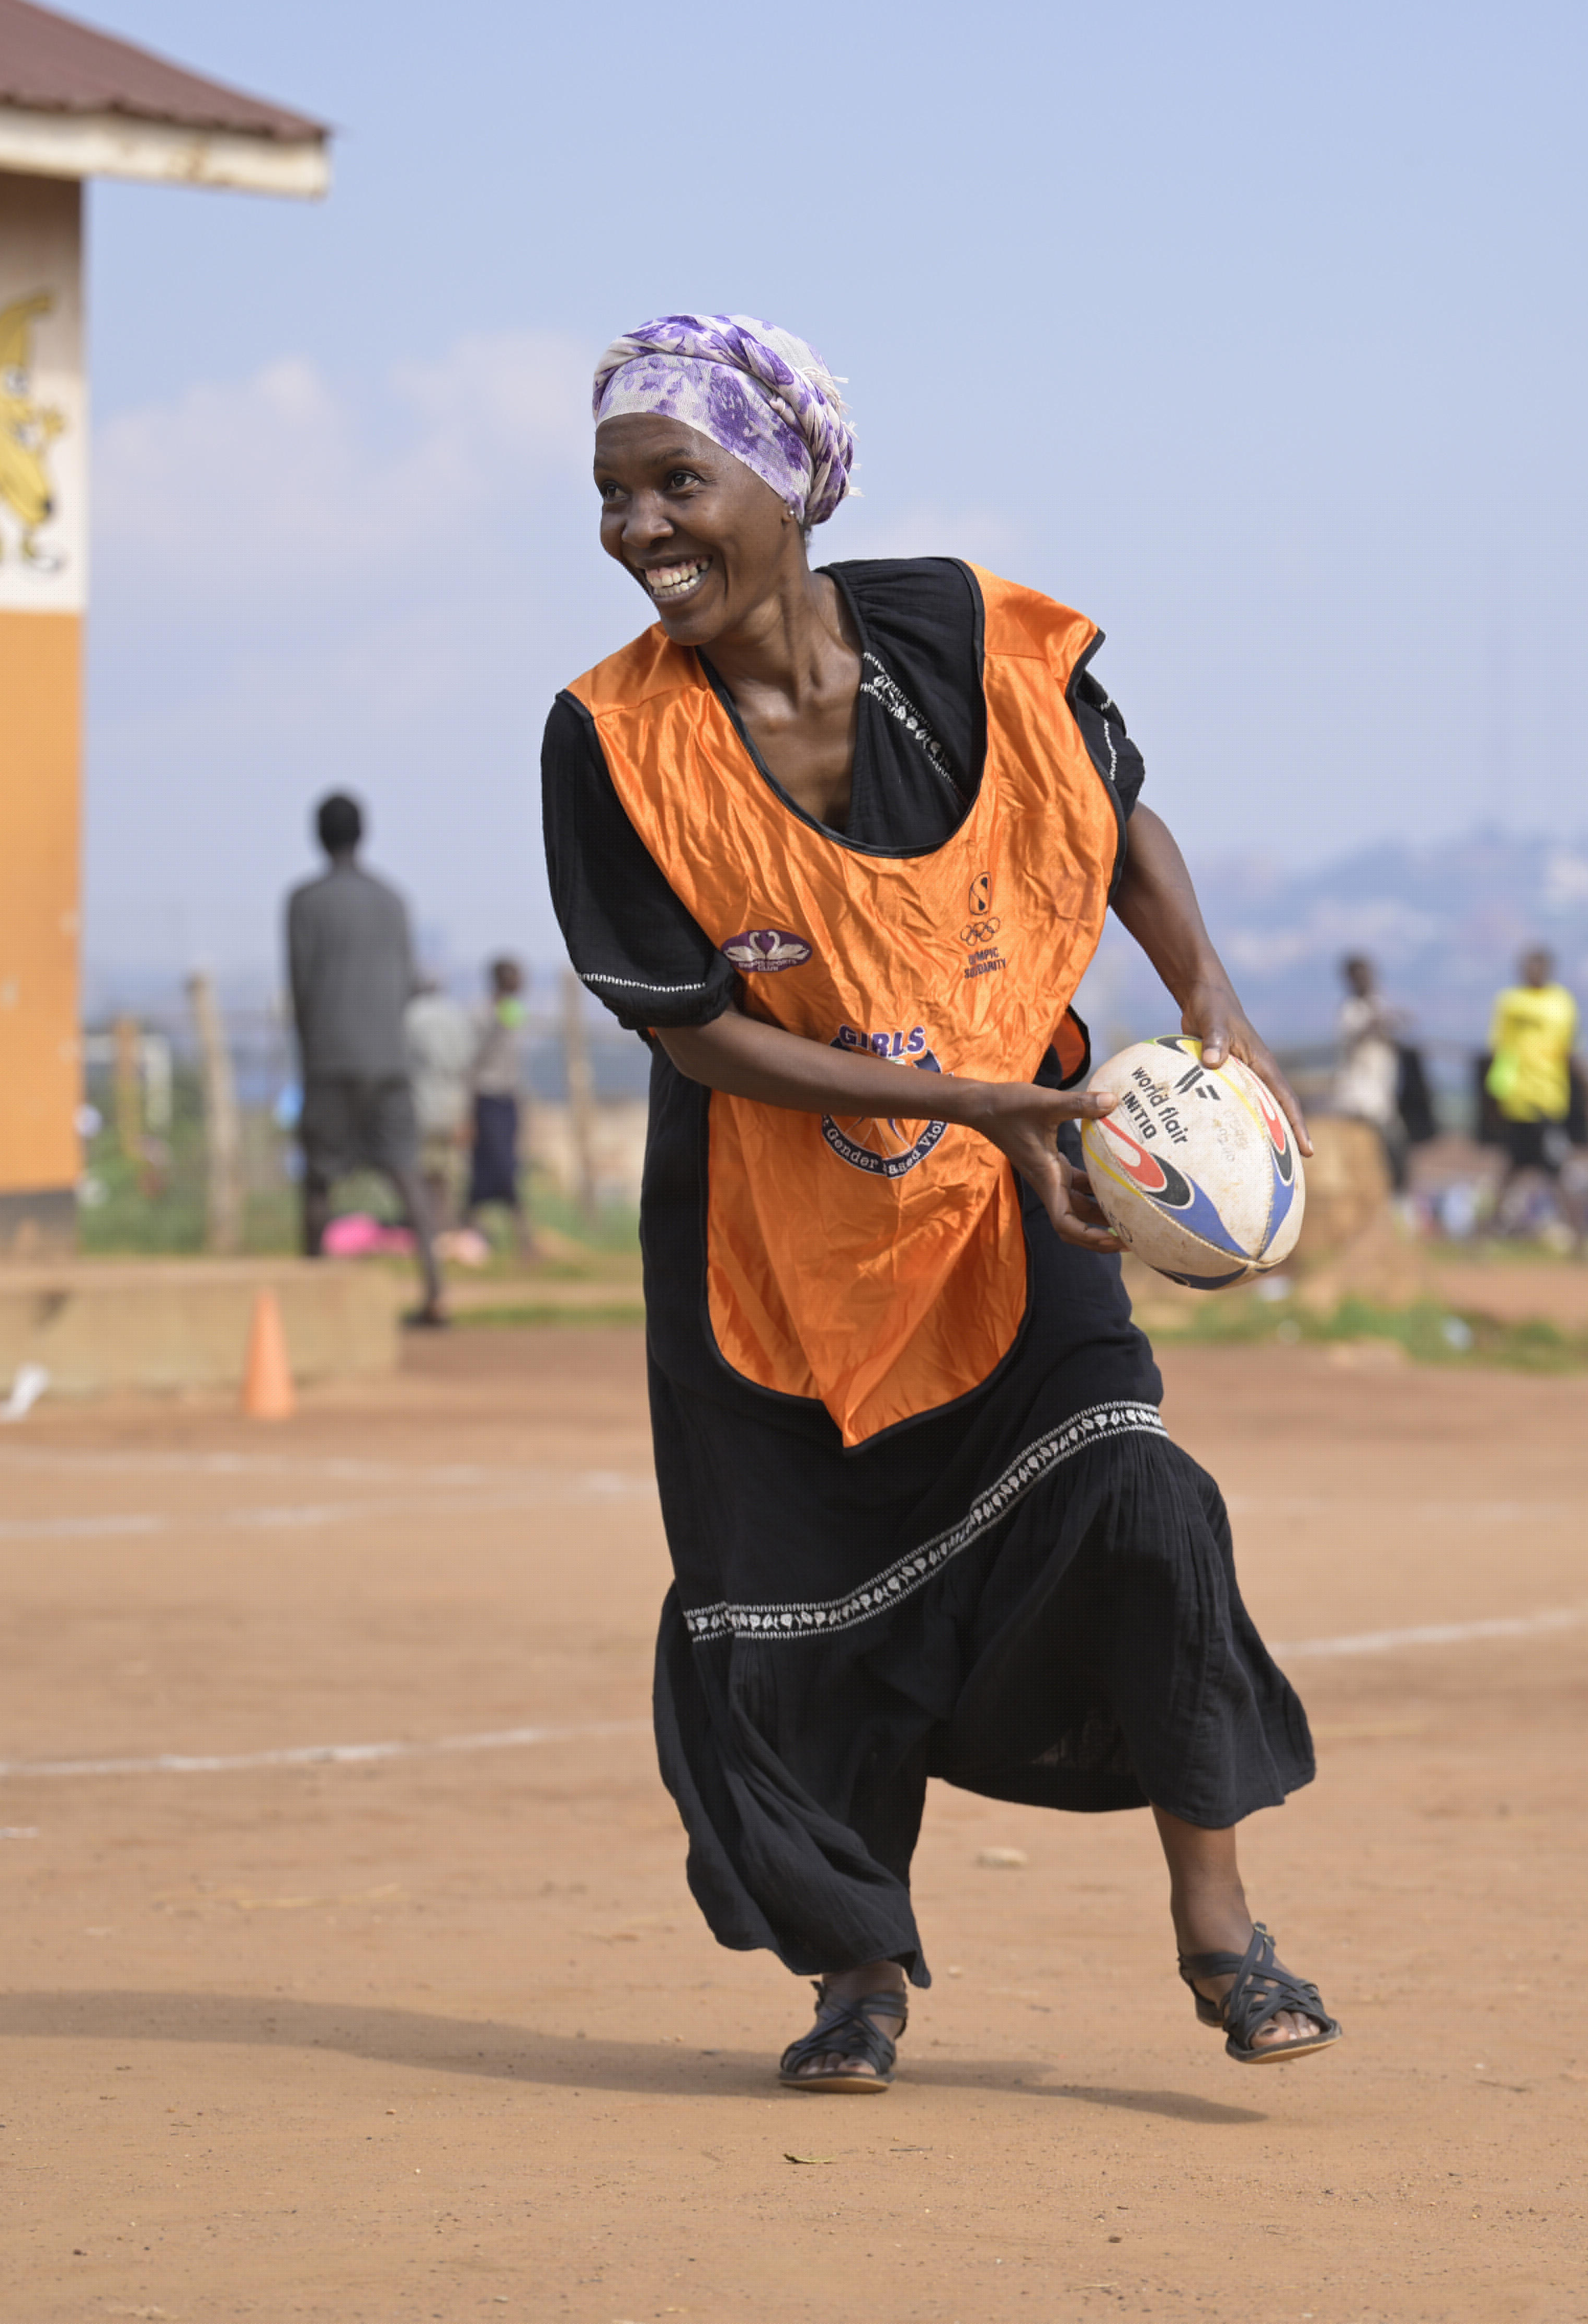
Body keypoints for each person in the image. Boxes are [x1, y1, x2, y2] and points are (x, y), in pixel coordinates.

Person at [543, 313, 1336, 2096]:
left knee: (1138, 1496)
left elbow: (1114, 815)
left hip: (1020, 1204)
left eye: (679, 483)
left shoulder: (960, 639)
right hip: (773, 1251)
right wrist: (977, 1098)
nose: (640, 528)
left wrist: (1211, 996)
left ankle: (1218, 1929)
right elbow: (713, 1044)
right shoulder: (608, 743)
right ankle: (858, 1981)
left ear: (793, 485)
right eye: (612, 496)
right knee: (789, 1622)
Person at [285, 792, 446, 1324]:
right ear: (363, 834)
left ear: (318, 836)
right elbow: (403, 981)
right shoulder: (392, 900)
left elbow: (302, 987)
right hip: (388, 1058)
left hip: (330, 1056)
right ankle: (435, 1292)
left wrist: (310, 1056)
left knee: (320, 1178)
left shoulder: (304, 901)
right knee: (405, 1172)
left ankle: (311, 1297)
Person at [1485, 946, 1586, 1249]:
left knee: (1557, 1170)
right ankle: (1485, 1234)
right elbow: (1502, 1051)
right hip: (1518, 1101)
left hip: (1549, 1100)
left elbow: (1568, 1051)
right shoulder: (1509, 1003)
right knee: (1514, 1170)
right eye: (1526, 966)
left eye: (1536, 967)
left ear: (1547, 969)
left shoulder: (1562, 1003)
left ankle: (1578, 1237)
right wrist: (1498, 1093)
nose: (1531, 972)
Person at [464, 956, 536, 1260]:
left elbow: (514, 1058)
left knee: (500, 1166)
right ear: (502, 981)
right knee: (498, 1168)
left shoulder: (514, 1012)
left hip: (509, 1098)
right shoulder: (482, 1014)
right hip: (487, 1097)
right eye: (516, 978)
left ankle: (470, 1230)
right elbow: (472, 1063)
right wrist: (466, 1110)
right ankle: (522, 1240)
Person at [1328, 953, 1408, 1193]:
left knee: (1392, 1150)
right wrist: (1375, 1024)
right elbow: (1351, 1038)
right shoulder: (1349, 1010)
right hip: (1358, 1096)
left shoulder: (1378, 1004)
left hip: (1381, 1092)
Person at [404, 972, 475, 1231]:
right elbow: (469, 1061)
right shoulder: (456, 1016)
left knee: (422, 1169)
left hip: (422, 1103)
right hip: (454, 1104)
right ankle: (446, 1225)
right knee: (447, 1172)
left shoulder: (411, 1017)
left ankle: (426, 1226)